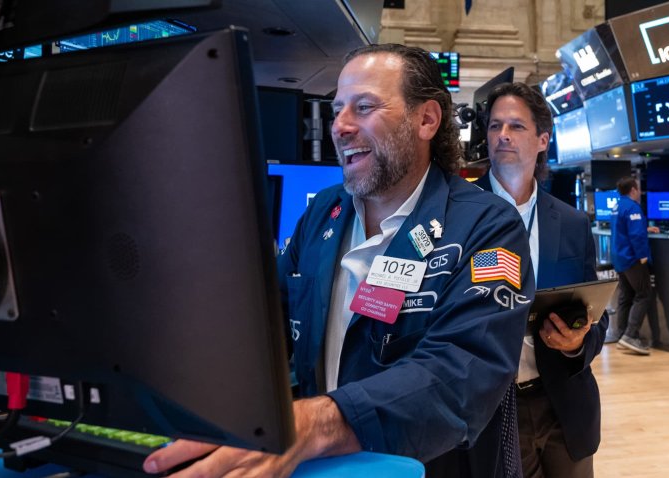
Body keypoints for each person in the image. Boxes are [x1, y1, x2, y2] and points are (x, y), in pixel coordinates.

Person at [143, 44, 535, 478]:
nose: (341, 127)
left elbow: (462, 371)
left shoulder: (486, 225)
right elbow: (260, 327)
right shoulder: (322, 212)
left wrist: (319, 422)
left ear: (426, 120)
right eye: (337, 111)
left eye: (364, 107)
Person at [473, 82, 607, 478]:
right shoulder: (459, 214)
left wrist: (577, 342)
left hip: (563, 404)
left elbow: (597, 316)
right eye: (495, 126)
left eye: (516, 126)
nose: (503, 136)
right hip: (490, 407)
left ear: (543, 140)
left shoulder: (570, 222)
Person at [611, 176, 659, 356]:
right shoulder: (632, 207)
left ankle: (622, 334)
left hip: (620, 258)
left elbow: (623, 228)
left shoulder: (618, 206)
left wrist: (644, 227)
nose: (640, 192)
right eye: (638, 189)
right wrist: (643, 257)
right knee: (643, 294)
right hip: (632, 259)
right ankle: (631, 335)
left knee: (626, 296)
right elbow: (636, 237)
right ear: (633, 190)